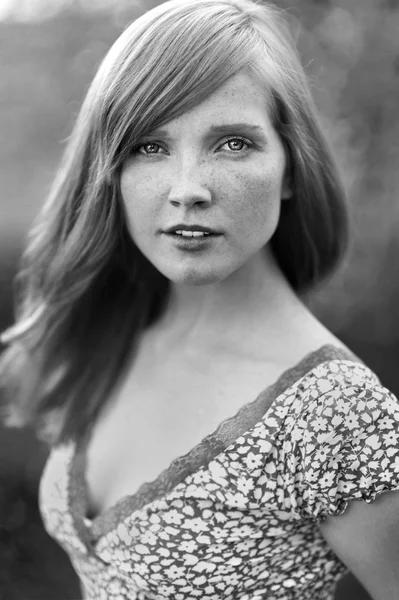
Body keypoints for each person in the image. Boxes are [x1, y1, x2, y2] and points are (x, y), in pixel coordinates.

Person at [1, 0, 399, 598]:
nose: (188, 190)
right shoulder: (119, 332)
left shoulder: (336, 414)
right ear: (107, 169)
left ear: (290, 167)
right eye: (149, 147)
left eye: (233, 143)